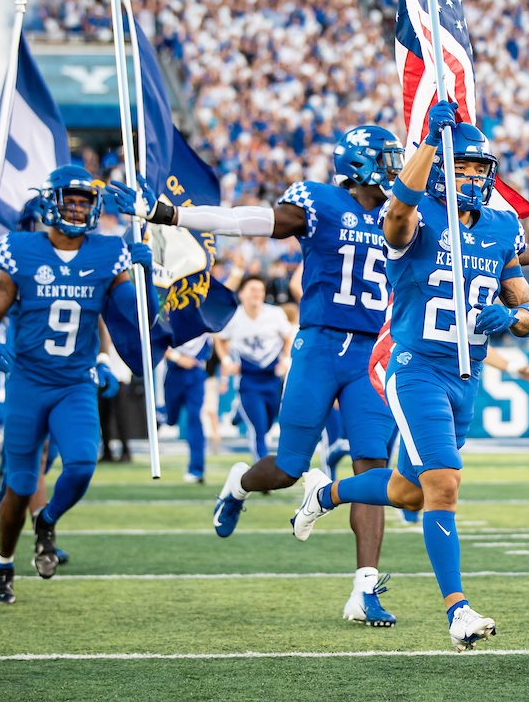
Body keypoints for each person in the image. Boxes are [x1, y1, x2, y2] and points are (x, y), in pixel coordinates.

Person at [107, 126, 404, 627]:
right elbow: (246, 220)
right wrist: (171, 214)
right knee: (289, 467)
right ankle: (238, 486)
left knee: (371, 470)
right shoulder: (321, 202)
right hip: (319, 345)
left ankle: (364, 590)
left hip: (371, 352)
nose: (398, 167)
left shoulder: (403, 213)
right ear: (361, 165)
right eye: (388, 158)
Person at [287, 102, 529, 651]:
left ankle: (325, 494)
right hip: (416, 368)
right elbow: (398, 211)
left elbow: (525, 306)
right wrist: (427, 142)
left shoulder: (502, 226)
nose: (471, 177)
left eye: (479, 168)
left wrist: (515, 319)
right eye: (460, 166)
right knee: (443, 484)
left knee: (408, 493)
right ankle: (458, 611)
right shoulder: (416, 215)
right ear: (440, 169)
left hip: (466, 376)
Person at [0, 165, 150, 604]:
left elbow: (134, 314)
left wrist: (149, 278)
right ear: (49, 202)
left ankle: (47, 521)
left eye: (84, 201)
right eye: (69, 199)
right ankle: (3, 564)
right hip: (27, 381)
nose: (76, 208)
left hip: (75, 382)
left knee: (82, 464)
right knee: (19, 484)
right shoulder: (20, 249)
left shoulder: (109, 251)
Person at [214, 276, 295, 464]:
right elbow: (219, 339)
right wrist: (226, 361)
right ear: (241, 294)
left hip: (272, 379)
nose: (257, 294)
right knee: (258, 428)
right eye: (252, 289)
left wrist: (286, 360)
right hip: (248, 380)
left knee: (268, 423)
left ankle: (240, 413)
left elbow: (287, 338)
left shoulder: (275, 314)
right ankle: (262, 468)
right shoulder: (233, 316)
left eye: (260, 290)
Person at [164, 334, 213, 483]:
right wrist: (177, 357)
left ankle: (196, 469)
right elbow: (155, 341)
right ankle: (161, 414)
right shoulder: (170, 320)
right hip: (174, 373)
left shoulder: (205, 322)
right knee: (170, 418)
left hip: (196, 374)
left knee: (195, 418)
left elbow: (218, 338)